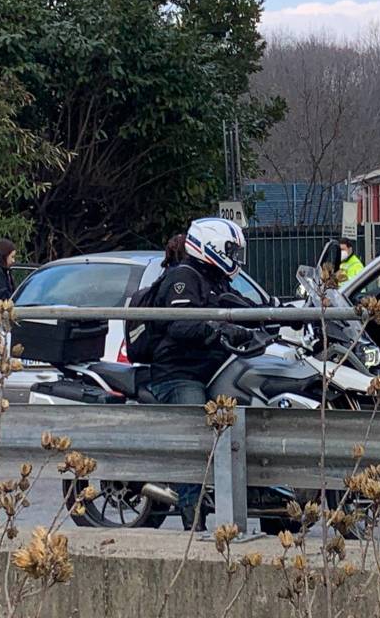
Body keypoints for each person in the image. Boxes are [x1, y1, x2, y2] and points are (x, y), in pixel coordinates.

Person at [150, 218, 255, 528]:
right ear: (212, 247)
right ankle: (191, 512)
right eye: (231, 250)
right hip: (179, 371)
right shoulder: (182, 278)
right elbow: (180, 324)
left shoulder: (215, 278)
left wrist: (280, 314)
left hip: (211, 368)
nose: (235, 257)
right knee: (198, 432)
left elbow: (240, 305)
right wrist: (218, 329)